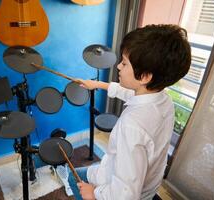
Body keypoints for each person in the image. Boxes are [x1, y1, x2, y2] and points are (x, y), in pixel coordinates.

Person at [68, 24, 191, 200]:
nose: (118, 66)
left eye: (124, 63)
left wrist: (94, 194)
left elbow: (125, 194)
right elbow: (129, 92)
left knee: (73, 177)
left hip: (124, 190)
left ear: (145, 76)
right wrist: (96, 85)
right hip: (147, 185)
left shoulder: (132, 126)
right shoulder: (163, 99)